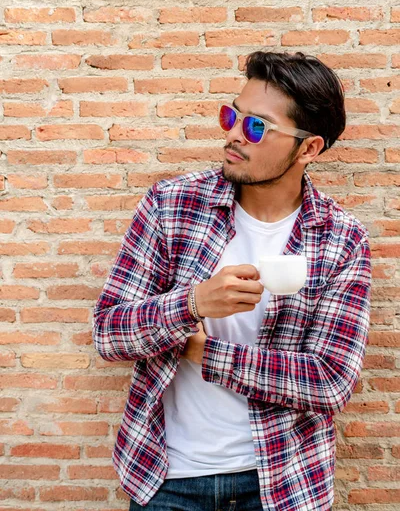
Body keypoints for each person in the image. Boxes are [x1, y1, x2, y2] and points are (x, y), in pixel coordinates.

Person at [93, 51, 371, 511]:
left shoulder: (340, 238)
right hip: (168, 478)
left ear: (309, 148)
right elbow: (108, 332)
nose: (233, 134)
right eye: (232, 115)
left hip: (284, 482)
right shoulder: (173, 205)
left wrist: (206, 352)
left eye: (257, 127)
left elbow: (330, 382)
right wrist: (192, 303)